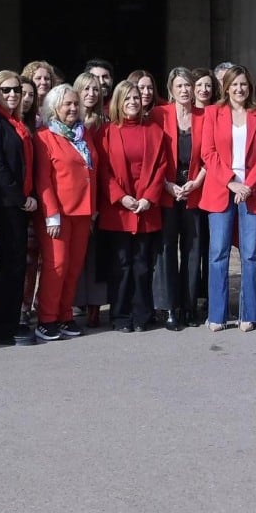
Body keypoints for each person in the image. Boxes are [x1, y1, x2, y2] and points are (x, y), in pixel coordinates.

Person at [200, 64, 256, 331]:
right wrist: (231, 182)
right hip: (221, 189)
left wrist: (248, 185)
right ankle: (217, 315)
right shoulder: (213, 113)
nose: (239, 89)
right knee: (218, 253)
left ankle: (250, 313)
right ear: (226, 87)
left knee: (251, 255)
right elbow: (208, 153)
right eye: (235, 84)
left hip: (253, 192)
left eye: (243, 84)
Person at [99, 81, 168, 332]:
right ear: (118, 102)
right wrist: (120, 197)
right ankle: (119, 316)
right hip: (119, 209)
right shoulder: (107, 132)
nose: (132, 103)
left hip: (146, 207)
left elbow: (161, 167)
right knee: (121, 265)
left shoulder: (154, 130)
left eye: (136, 98)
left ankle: (142, 315)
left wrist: (148, 197)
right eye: (127, 99)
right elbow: (102, 170)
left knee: (141, 265)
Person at [32, 83, 95, 341]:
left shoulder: (83, 135)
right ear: (54, 108)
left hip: (83, 210)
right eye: (66, 104)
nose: (72, 108)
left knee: (73, 266)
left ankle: (65, 314)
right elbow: (44, 180)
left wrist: (94, 209)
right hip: (57, 213)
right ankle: (46, 318)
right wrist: (51, 214)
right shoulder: (44, 137)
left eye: (75, 104)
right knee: (55, 266)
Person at [0, 69, 39, 344]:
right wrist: (20, 198)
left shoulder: (16, 123)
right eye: (6, 90)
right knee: (10, 264)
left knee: (16, 263)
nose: (13, 95)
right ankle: (0, 326)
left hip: (19, 203)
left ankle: (9, 321)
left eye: (16, 89)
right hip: (6, 204)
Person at [154, 69, 206, 330]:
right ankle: (170, 307)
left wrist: (196, 182)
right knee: (166, 250)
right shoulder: (159, 114)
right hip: (167, 188)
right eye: (179, 85)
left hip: (194, 188)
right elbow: (152, 155)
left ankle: (189, 305)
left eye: (188, 85)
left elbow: (211, 153)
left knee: (192, 249)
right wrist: (167, 185)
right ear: (171, 88)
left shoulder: (203, 116)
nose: (185, 90)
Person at [69, 71, 112, 329]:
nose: (91, 94)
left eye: (95, 89)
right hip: (74, 199)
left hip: (99, 196)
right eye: (85, 89)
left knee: (96, 254)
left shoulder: (104, 122)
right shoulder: (67, 122)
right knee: (76, 255)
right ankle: (74, 303)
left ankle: (95, 305)